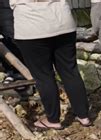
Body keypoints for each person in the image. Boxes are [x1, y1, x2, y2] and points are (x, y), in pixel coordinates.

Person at [10, 0, 91, 130]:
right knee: (70, 70)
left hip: (31, 25)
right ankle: (83, 115)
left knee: (44, 76)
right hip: (62, 22)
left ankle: (53, 119)